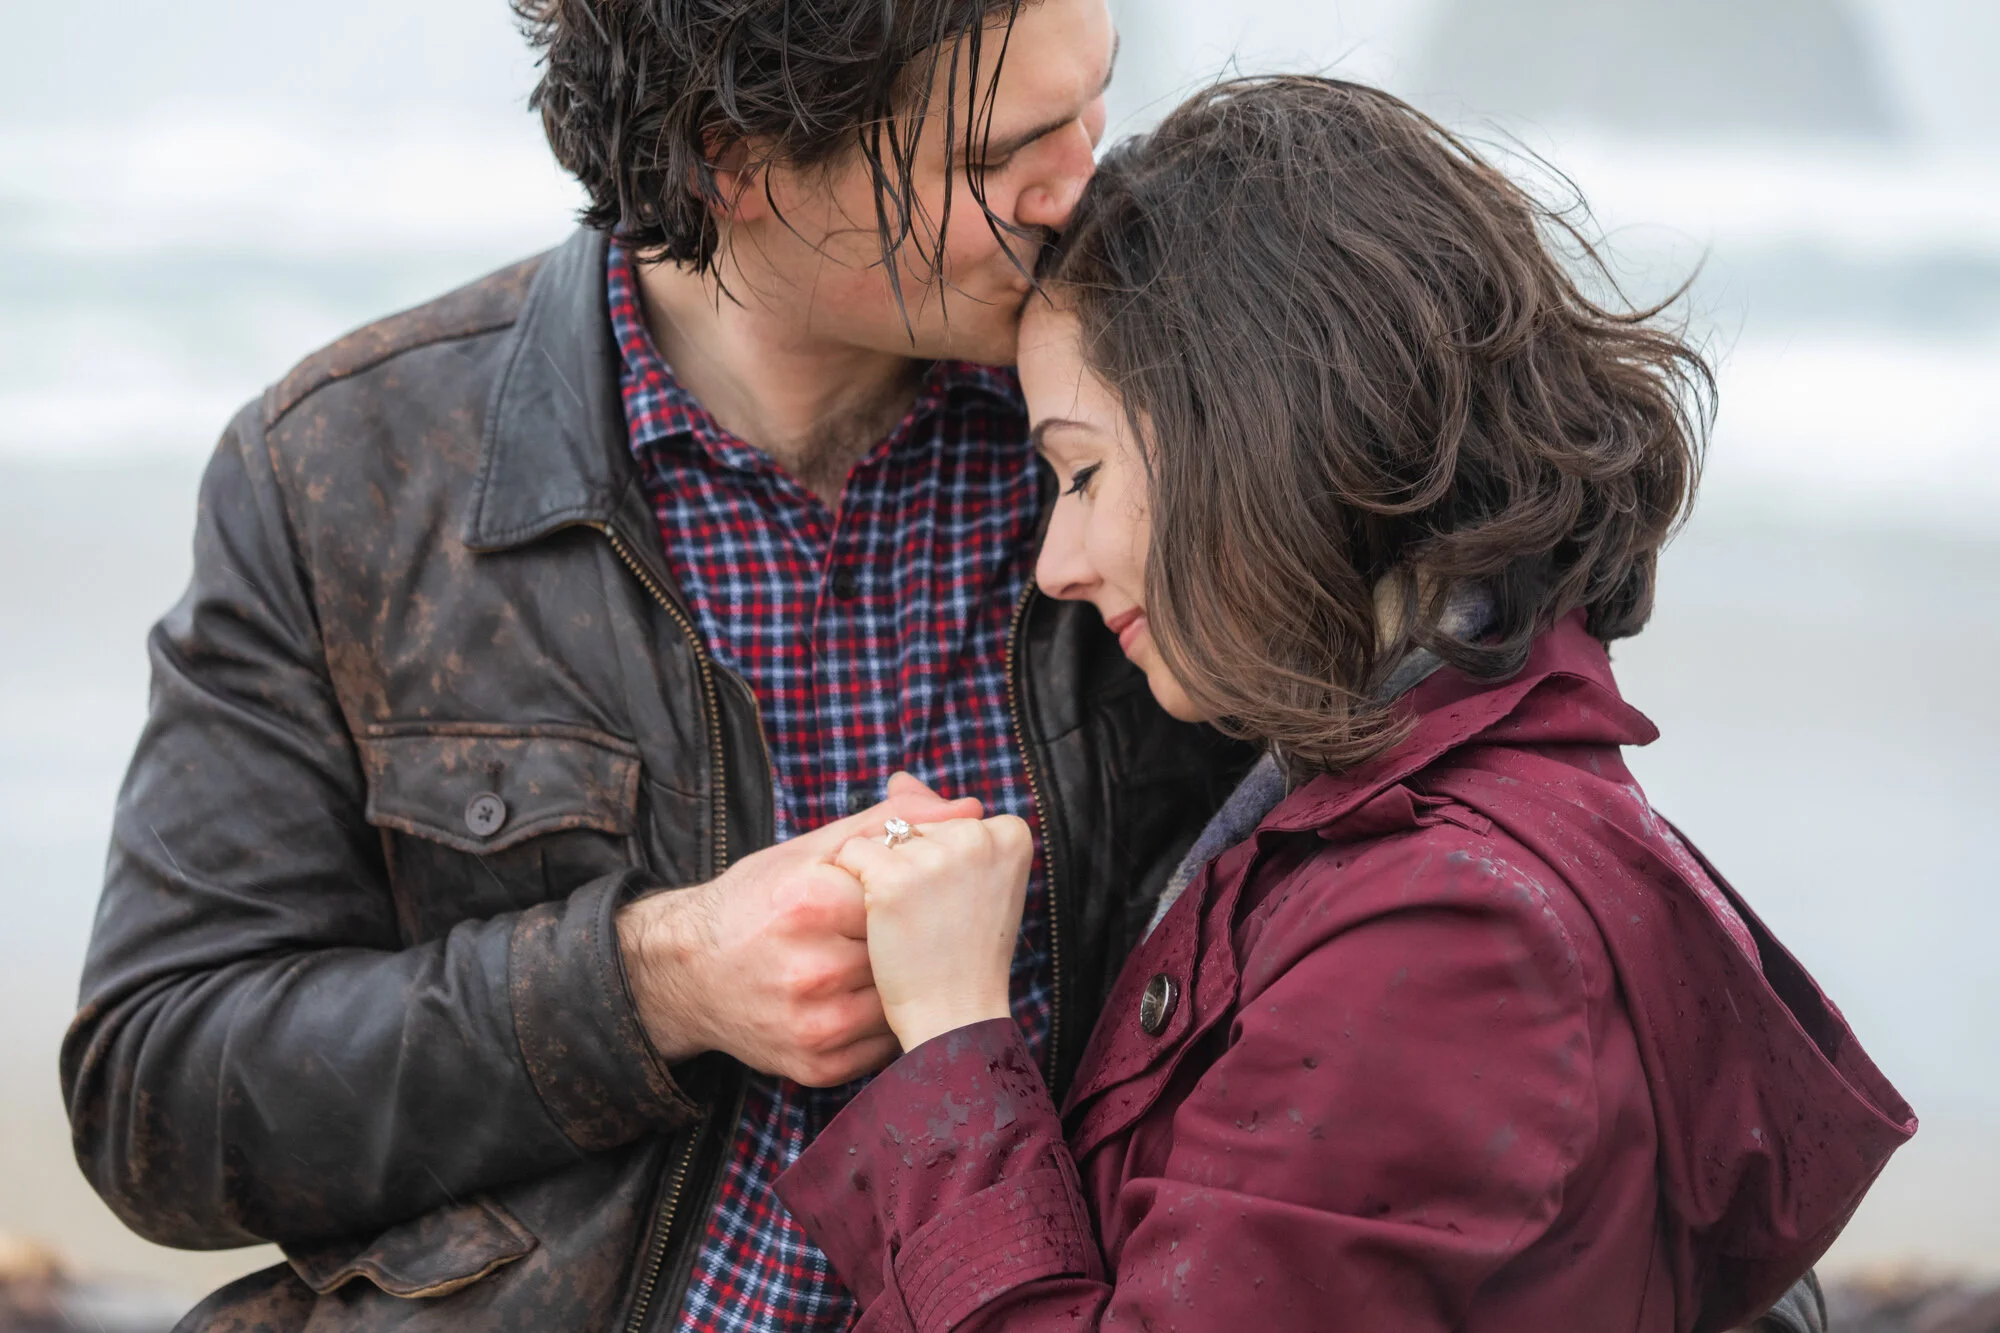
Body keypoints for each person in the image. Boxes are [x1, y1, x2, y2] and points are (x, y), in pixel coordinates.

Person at [60, 3, 1255, 1330]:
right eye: (995, 158)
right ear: (732, 162)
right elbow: (157, 1101)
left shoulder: (1187, 407)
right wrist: (653, 981)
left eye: (1092, 106)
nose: (1077, 187)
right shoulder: (344, 466)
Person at [774, 76, 1917, 1332]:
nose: (1055, 562)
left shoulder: (1450, 934)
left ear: (1261, 428)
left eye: (1083, 471)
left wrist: (950, 1032)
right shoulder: (1417, 802)